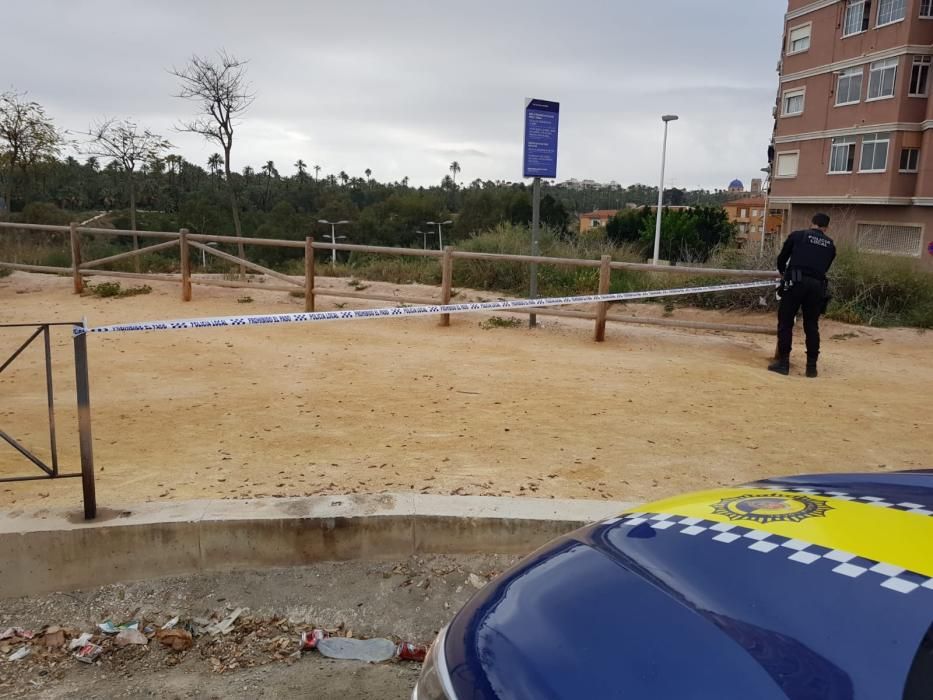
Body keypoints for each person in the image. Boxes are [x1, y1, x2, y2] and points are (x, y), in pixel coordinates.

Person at [768, 213, 836, 378]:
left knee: (786, 321)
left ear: (812, 223)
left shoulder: (798, 236)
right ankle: (811, 367)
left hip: (795, 281)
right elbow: (825, 267)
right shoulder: (830, 245)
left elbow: (782, 258)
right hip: (817, 286)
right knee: (811, 325)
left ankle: (783, 363)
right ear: (826, 227)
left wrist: (784, 274)